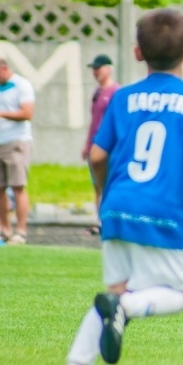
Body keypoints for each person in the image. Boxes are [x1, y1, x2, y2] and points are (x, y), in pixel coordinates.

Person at [54, 9, 183, 365]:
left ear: (138, 53)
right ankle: (124, 309)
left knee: (115, 293)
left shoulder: (121, 99)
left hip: (117, 207)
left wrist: (105, 193)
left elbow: (97, 155)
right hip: (162, 212)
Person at [0, 57, 35, 245]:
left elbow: (27, 113)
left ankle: (20, 231)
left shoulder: (22, 85)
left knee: (18, 186)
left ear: (4, 68)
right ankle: (4, 228)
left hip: (18, 141)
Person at [83, 53, 121, 235]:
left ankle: (111, 219)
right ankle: (101, 220)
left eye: (98, 68)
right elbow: (94, 121)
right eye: (94, 69)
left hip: (110, 148)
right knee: (98, 186)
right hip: (95, 146)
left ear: (109, 69)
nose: (95, 72)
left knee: (110, 185)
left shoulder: (115, 92)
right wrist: (87, 145)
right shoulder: (97, 93)